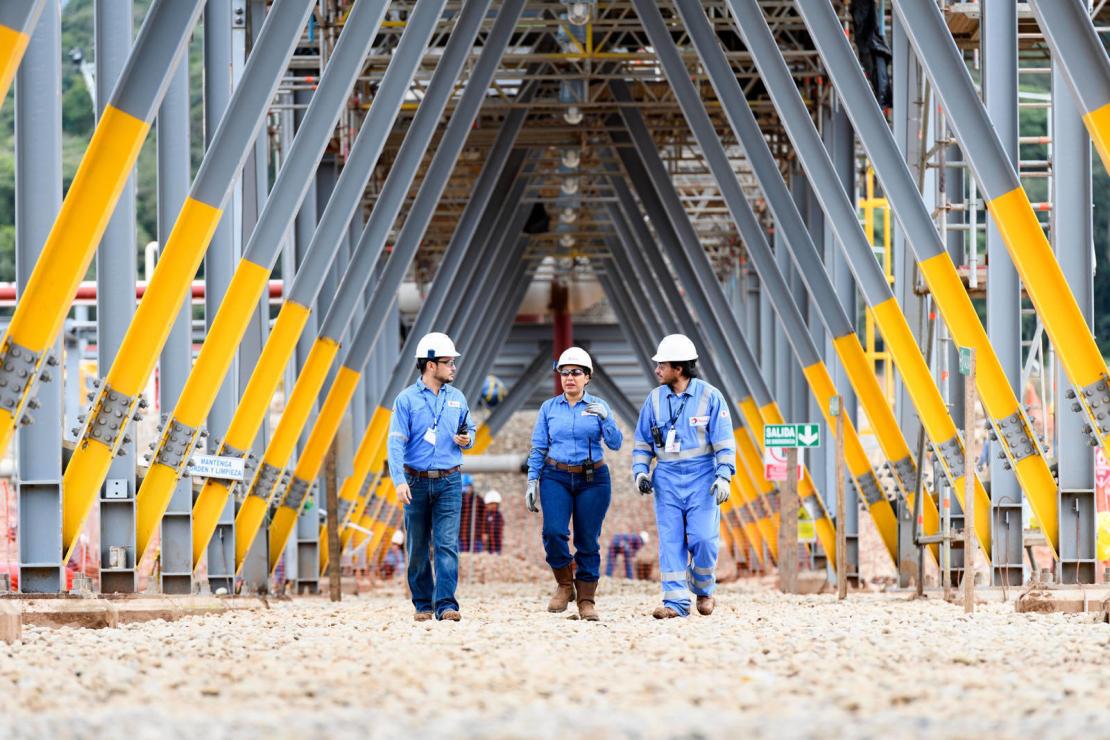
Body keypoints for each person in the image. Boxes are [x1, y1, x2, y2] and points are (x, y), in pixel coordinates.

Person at [632, 334, 735, 619]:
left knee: (703, 539)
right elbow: (642, 443)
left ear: (678, 368)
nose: (657, 370)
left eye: (661, 365)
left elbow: (725, 442)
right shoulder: (653, 400)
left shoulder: (710, 397)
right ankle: (676, 604)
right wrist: (641, 472)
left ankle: (703, 588)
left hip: (702, 480)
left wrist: (724, 476)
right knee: (671, 541)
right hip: (666, 480)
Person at [526, 347, 622, 621]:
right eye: (564, 373)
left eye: (576, 373)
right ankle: (565, 583)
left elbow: (615, 444)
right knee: (554, 532)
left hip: (593, 479)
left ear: (587, 377)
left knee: (587, 540)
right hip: (555, 476)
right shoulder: (549, 408)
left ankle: (586, 600)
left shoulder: (598, 407)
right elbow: (539, 447)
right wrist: (533, 480)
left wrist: (606, 419)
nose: (569, 378)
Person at [387, 332, 476, 622]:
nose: (453, 367)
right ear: (430, 365)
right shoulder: (406, 400)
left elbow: (469, 428)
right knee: (416, 546)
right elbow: (395, 443)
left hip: (450, 481)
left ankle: (447, 605)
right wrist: (399, 480)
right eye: (448, 362)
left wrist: (468, 439)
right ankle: (423, 603)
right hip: (415, 481)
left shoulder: (457, 398)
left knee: (447, 544)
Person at [459, 474, 485, 553]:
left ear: (472, 486)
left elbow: (484, 516)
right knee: (461, 557)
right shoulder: (458, 499)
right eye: (464, 486)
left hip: (475, 535)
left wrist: (484, 532)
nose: (467, 489)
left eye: (468, 486)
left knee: (476, 557)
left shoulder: (478, 499)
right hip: (461, 535)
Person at [482, 490, 504, 554]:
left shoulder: (498, 515)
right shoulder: (485, 515)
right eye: (491, 504)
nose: (493, 506)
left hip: (496, 543)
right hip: (487, 544)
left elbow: (500, 526)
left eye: (495, 504)